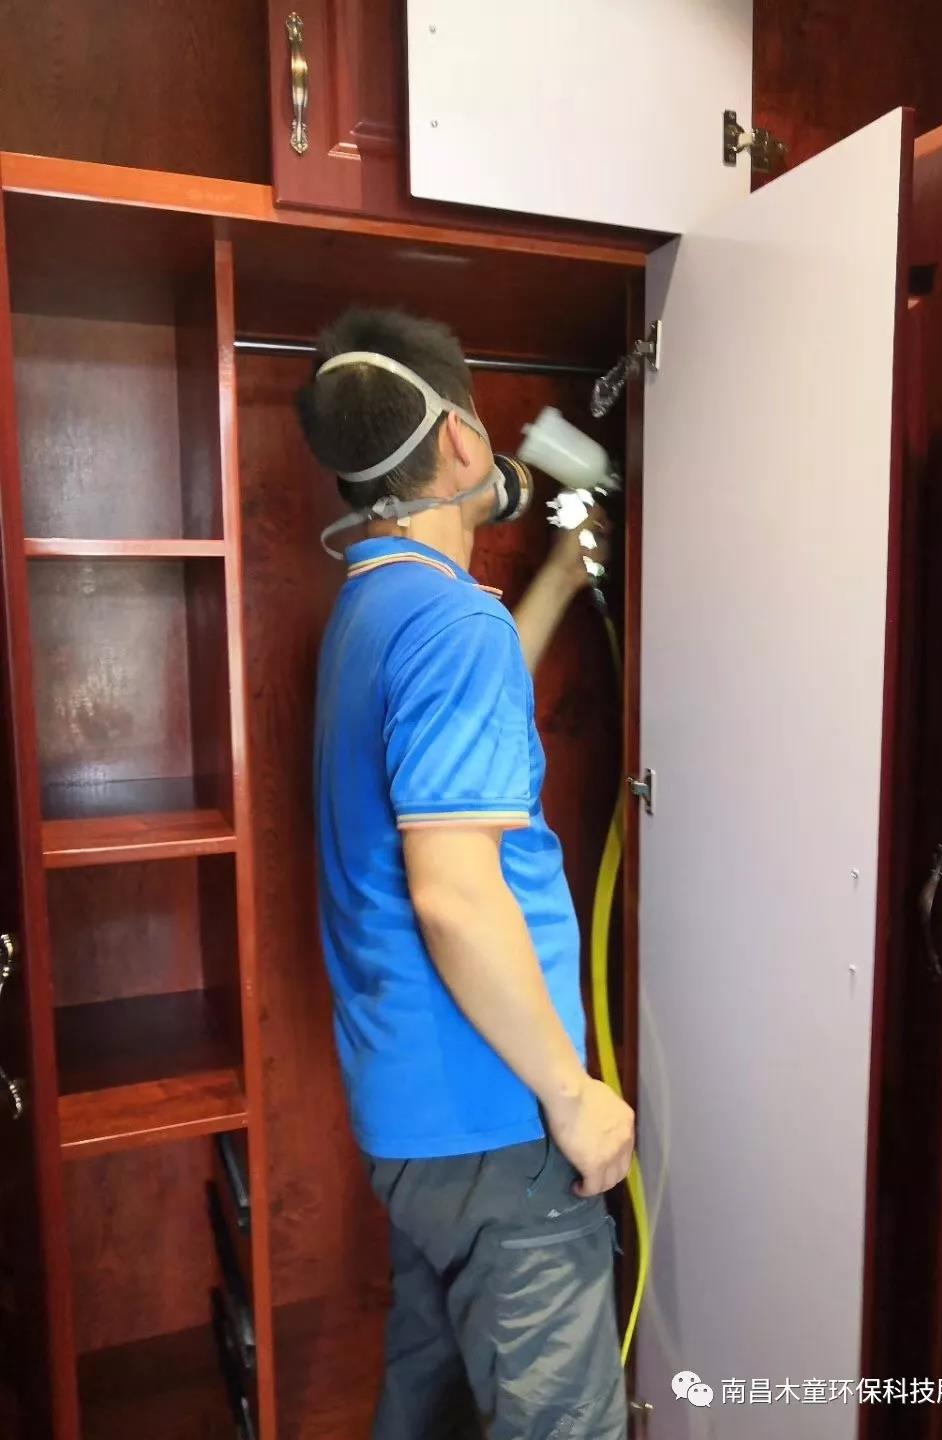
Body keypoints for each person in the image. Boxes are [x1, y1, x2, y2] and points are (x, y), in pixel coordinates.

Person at [296, 307, 635, 1440]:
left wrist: (555, 586)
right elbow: (451, 892)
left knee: (431, 1396)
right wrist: (573, 1097)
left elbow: (465, 733)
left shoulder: (375, 608)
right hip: (499, 1117)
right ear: (457, 439)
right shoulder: (449, 628)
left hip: (417, 1124)